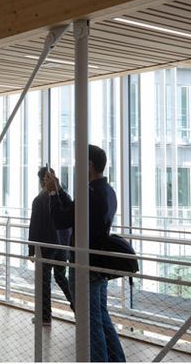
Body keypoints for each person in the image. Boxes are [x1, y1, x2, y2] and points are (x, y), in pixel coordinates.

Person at [46, 145, 125, 362]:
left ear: (89, 164)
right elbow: (76, 213)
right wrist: (60, 191)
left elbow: (61, 220)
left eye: (80, 161)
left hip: (84, 265)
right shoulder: (107, 191)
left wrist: (52, 192)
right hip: (99, 263)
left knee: (90, 323)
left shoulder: (89, 193)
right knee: (101, 318)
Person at [28, 167, 73, 327]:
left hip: (46, 247)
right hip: (62, 246)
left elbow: (34, 227)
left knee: (44, 281)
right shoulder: (63, 197)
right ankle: (78, 308)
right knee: (61, 278)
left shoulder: (39, 200)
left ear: (41, 182)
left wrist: (31, 250)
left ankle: (45, 316)